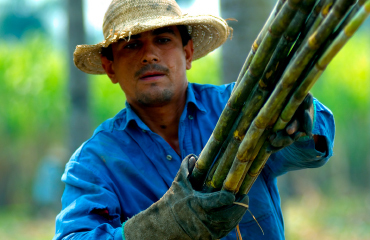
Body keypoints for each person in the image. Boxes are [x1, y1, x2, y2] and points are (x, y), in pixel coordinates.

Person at [54, 0, 335, 239]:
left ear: (187, 53)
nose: (149, 55)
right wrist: (161, 226)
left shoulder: (241, 106)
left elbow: (314, 150)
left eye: (163, 40)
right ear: (110, 67)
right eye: (131, 45)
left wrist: (297, 118)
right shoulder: (94, 161)